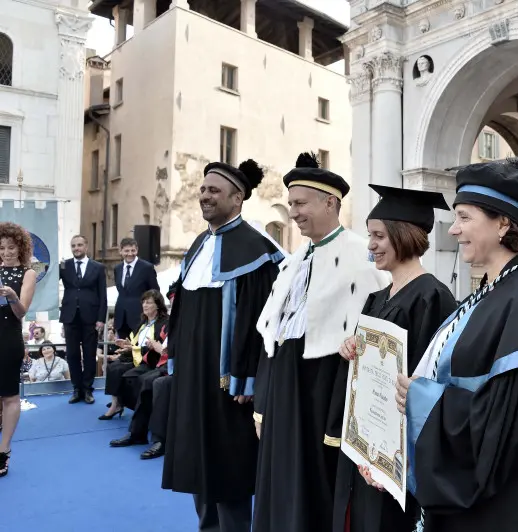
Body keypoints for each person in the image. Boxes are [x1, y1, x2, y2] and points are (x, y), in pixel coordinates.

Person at [394, 159, 518, 531]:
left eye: (464, 217)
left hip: (503, 509)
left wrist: (425, 398)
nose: (453, 230)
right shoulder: (491, 293)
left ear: (502, 223)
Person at [252, 152, 390, 532]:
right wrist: (262, 403)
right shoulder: (294, 259)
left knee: (315, 490)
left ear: (330, 203)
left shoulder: (362, 258)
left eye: (300, 203)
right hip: (283, 388)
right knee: (279, 484)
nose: (293, 212)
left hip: (323, 391)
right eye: (291, 204)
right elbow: (273, 336)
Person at [162, 159, 283, 532]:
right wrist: (175, 359)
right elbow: (180, 307)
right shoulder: (198, 244)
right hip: (193, 376)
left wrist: (246, 379)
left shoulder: (258, 250)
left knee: (229, 468)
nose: (204, 196)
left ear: (238, 199)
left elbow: (263, 323)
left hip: (228, 383)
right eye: (202, 190)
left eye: (214, 191)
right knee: (199, 462)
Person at [332, 185, 459, 532]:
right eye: (369, 235)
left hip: (400, 456)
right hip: (368, 446)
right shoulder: (377, 297)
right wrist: (351, 349)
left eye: (379, 236)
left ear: (404, 236)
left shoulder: (434, 297)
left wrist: (395, 455)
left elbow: (432, 383)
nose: (370, 245)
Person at [0, 222, 38, 477]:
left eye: (11, 247)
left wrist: (12, 296)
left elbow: (22, 311)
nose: (6, 252)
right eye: (1, 248)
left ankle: (3, 451)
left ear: (20, 248)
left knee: (9, 396)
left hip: (8, 339)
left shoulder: (28, 273)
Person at [107, 289, 169, 445]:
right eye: (144, 302)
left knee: (141, 380)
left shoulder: (166, 323)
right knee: (119, 371)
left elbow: (160, 350)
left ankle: (142, 428)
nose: (145, 305)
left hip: (157, 363)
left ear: (158, 305)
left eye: (149, 302)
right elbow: (139, 344)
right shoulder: (143, 323)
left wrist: (135, 349)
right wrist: (127, 346)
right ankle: (130, 416)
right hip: (144, 359)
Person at [59, 234, 107, 405]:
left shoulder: (98, 267)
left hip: (91, 318)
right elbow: (47, 276)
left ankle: (87, 389)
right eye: (73, 246)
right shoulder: (64, 265)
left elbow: (103, 296)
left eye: (79, 245)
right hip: (70, 316)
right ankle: (76, 388)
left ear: (86, 247)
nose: (76, 248)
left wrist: (101, 319)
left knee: (89, 354)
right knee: (72, 355)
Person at [114, 237, 160, 340]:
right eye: (126, 251)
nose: (130, 254)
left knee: (137, 352)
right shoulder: (117, 269)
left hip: (140, 317)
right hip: (121, 318)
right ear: (120, 251)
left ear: (137, 250)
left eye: (133, 250)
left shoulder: (147, 267)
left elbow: (155, 292)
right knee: (122, 352)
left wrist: (151, 312)